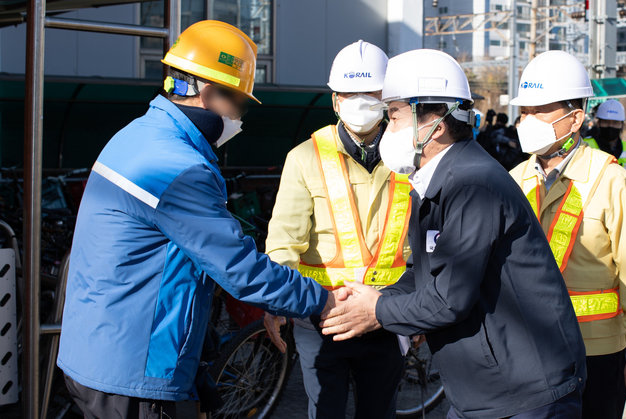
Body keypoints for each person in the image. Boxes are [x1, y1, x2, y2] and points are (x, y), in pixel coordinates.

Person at [57, 20, 340, 418]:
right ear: (208, 93)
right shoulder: (178, 166)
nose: (240, 117)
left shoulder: (136, 135)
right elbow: (240, 268)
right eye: (239, 103)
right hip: (136, 371)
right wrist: (323, 300)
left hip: (99, 351)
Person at [320, 49, 586, 418]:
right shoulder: (437, 182)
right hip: (483, 390)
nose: (386, 128)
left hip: (526, 393)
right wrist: (377, 297)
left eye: (394, 116)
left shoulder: (472, 184)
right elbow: (425, 271)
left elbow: (448, 299)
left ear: (435, 124)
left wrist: (377, 311)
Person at [263, 40, 411, 419]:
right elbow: (284, 242)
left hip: (387, 312)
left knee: (379, 411)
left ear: (387, 96)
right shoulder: (304, 157)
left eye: (371, 93)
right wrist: (278, 304)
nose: (360, 101)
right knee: (325, 409)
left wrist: (419, 309)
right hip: (322, 314)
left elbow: (424, 241)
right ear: (335, 100)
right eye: (350, 93)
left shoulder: (412, 155)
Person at [508, 50, 626, 419]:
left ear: (575, 118)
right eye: (523, 111)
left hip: (599, 353)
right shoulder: (513, 180)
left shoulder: (611, 180)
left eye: (537, 111)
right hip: (531, 351)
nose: (525, 121)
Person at [583, 99, 626, 167]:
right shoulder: (585, 146)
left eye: (615, 122)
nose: (610, 125)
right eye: (606, 122)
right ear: (598, 123)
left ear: (622, 125)